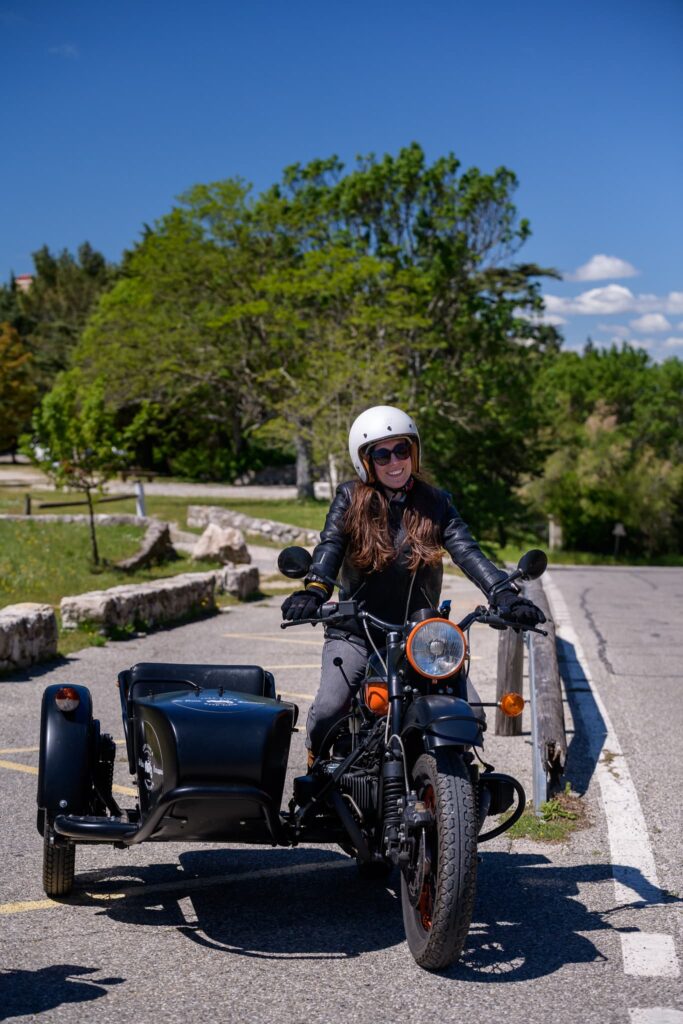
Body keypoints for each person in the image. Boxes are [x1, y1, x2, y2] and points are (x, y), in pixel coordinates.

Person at [281, 405, 545, 765]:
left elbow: (467, 551)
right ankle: (316, 762)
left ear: (414, 452)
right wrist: (314, 590)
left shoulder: (436, 503)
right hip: (357, 629)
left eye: (401, 450)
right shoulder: (348, 498)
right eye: (382, 453)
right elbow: (330, 547)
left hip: (422, 636)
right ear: (366, 461)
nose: (395, 461)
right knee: (329, 708)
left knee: (471, 714)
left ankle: (450, 787)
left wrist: (503, 594)